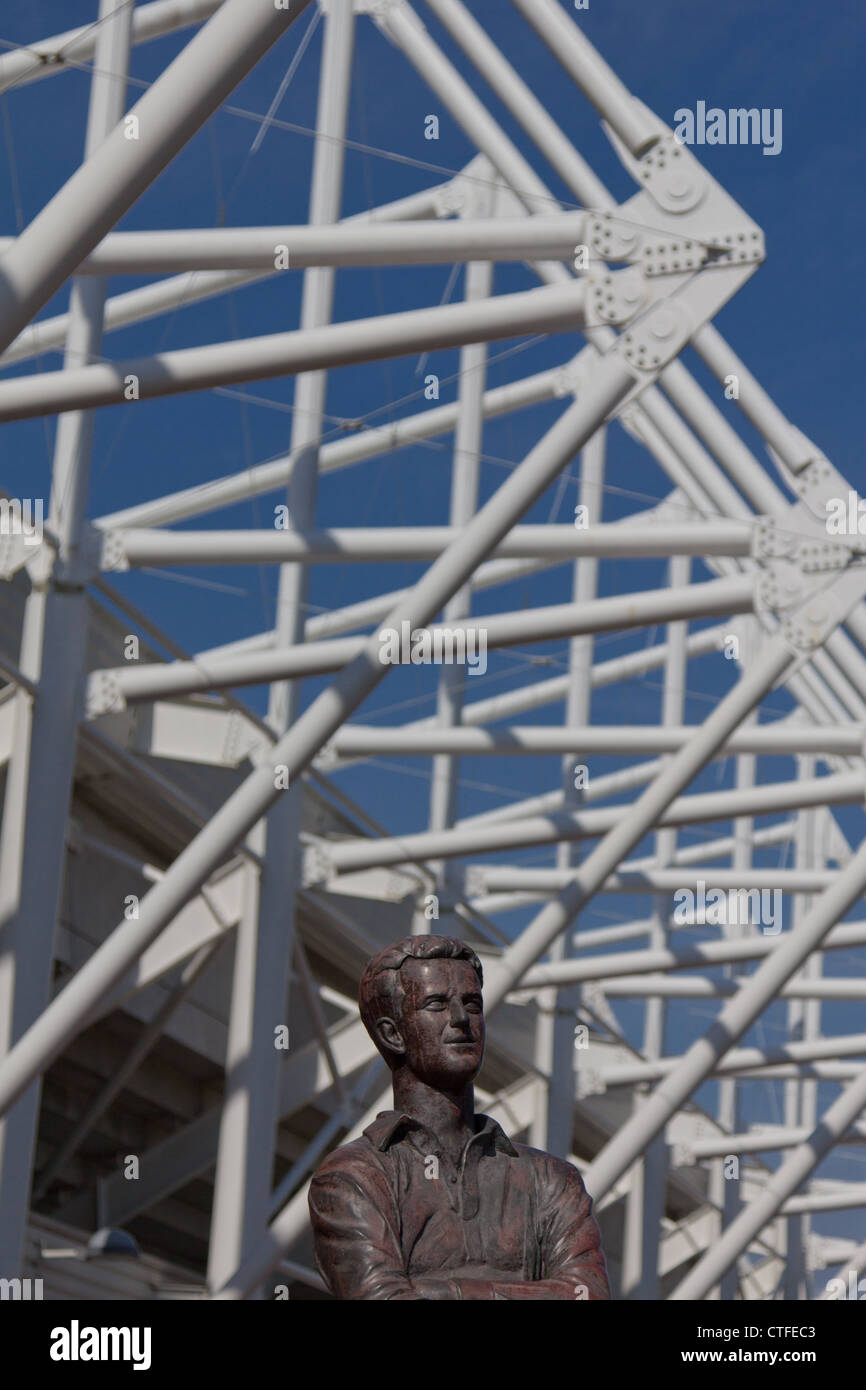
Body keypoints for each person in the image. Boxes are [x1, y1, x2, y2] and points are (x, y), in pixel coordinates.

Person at [308, 934, 611, 1300]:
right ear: (392, 1034)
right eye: (436, 1004)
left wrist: (444, 1290)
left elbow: (587, 1293)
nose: (460, 1020)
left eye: (472, 1004)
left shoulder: (551, 1179)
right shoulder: (354, 1176)